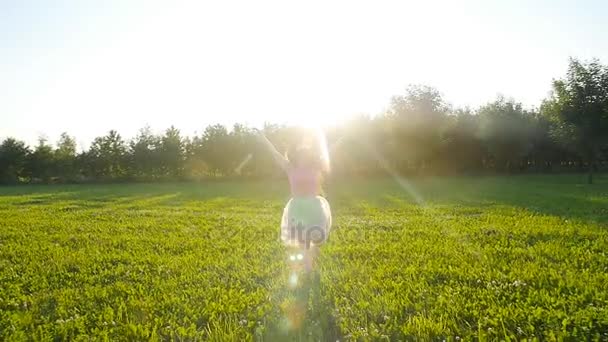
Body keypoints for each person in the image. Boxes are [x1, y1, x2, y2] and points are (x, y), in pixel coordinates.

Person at [255, 128, 333, 271]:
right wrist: (263, 138)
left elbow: (332, 150)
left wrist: (344, 136)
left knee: (315, 238)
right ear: (297, 155)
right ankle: (308, 267)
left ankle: (312, 255)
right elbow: (275, 154)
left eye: (307, 153)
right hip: (297, 207)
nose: (304, 155)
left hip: (314, 206)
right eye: (302, 153)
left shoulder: (316, 166)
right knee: (303, 239)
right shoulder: (290, 167)